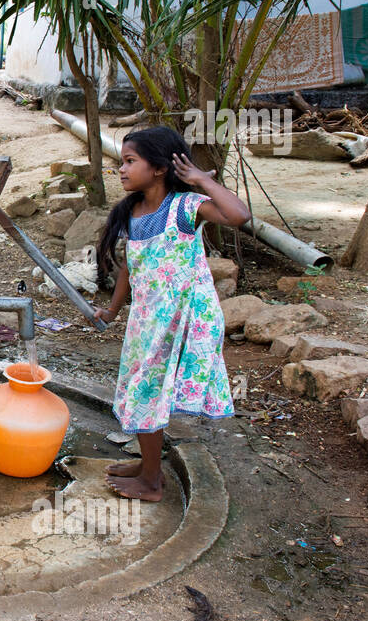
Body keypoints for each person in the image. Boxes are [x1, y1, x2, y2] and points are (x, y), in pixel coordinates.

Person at [91, 127, 252, 501]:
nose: (122, 170)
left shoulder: (185, 208)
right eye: (121, 163)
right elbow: (130, 267)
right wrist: (113, 311)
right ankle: (149, 468)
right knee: (145, 389)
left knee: (149, 391)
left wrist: (197, 179)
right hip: (149, 320)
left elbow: (238, 215)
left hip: (184, 320)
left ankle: (150, 483)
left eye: (130, 161)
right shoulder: (133, 212)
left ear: (161, 167)